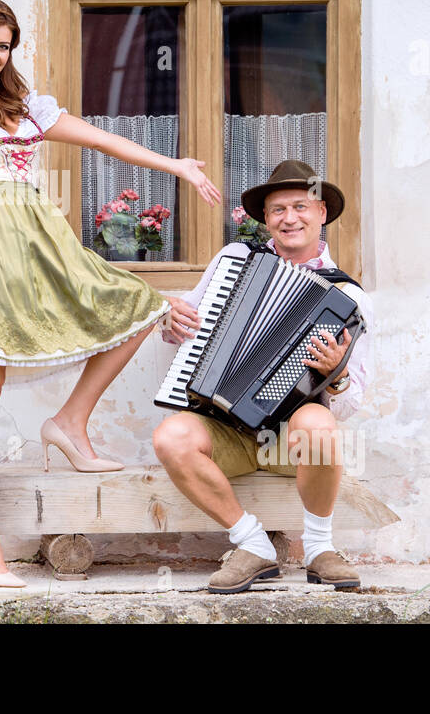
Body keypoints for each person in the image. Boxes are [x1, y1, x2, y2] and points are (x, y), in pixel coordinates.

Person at [0, 0, 222, 587]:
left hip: (42, 243)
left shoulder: (28, 108)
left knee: (136, 307)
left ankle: (69, 422)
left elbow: (103, 140)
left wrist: (177, 166)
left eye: (3, 45)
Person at [152, 159, 373, 593]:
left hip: (287, 443)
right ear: (266, 219)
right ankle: (252, 545)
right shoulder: (236, 259)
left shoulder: (346, 295)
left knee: (319, 424)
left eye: (300, 207)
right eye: (277, 211)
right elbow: (185, 327)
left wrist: (338, 375)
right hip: (227, 430)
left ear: (322, 213)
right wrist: (170, 322)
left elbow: (350, 403)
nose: (289, 218)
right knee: (170, 436)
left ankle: (319, 549)